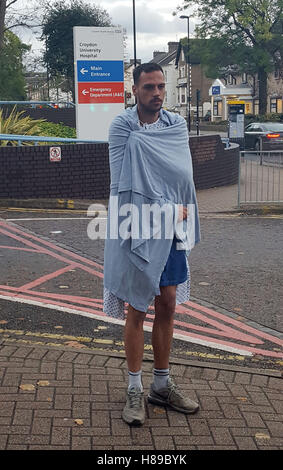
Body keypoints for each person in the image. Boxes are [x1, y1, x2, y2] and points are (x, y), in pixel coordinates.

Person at [103, 62, 200, 426]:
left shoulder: (176, 125)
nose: (157, 93)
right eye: (149, 88)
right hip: (137, 224)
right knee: (138, 307)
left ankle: (161, 384)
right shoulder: (123, 126)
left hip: (173, 223)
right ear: (135, 91)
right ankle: (133, 388)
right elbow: (122, 184)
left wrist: (173, 208)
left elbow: (181, 175)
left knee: (168, 303)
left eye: (161, 87)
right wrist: (162, 207)